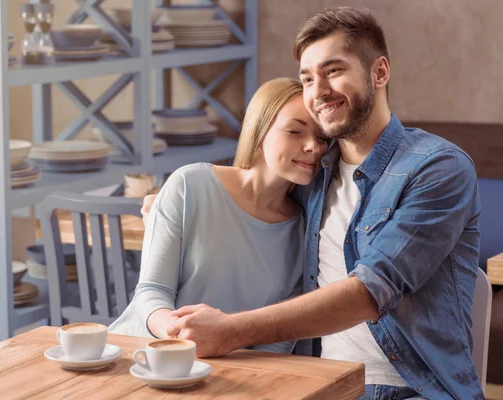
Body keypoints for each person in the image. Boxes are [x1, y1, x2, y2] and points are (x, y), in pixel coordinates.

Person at [141, 7, 482, 400]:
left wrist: (231, 330)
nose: (318, 91)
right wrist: (167, 199)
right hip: (316, 383)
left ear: (380, 73)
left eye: (333, 71)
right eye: (307, 78)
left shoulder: (438, 168)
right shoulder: (314, 173)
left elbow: (370, 291)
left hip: (412, 389)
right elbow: (256, 178)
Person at [108, 77, 329, 355]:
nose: (314, 146)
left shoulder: (303, 233)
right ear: (259, 132)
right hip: (140, 351)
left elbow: (278, 335)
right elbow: (151, 291)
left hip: (225, 374)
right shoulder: (190, 184)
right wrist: (181, 339)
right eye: (295, 132)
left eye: (322, 137)